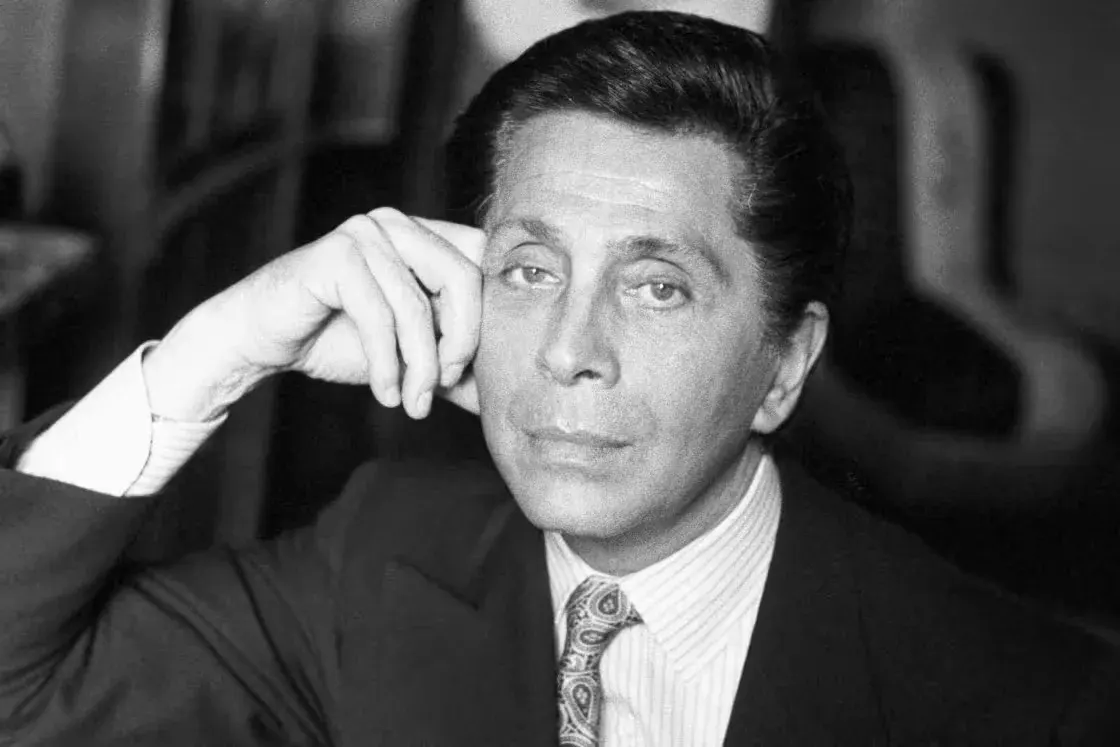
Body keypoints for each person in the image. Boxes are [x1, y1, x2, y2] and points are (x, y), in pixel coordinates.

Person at [1, 11, 1117, 746]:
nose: (567, 348)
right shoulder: (382, 556)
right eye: (531, 271)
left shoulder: (1036, 703)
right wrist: (221, 347)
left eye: (657, 287)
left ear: (784, 365)